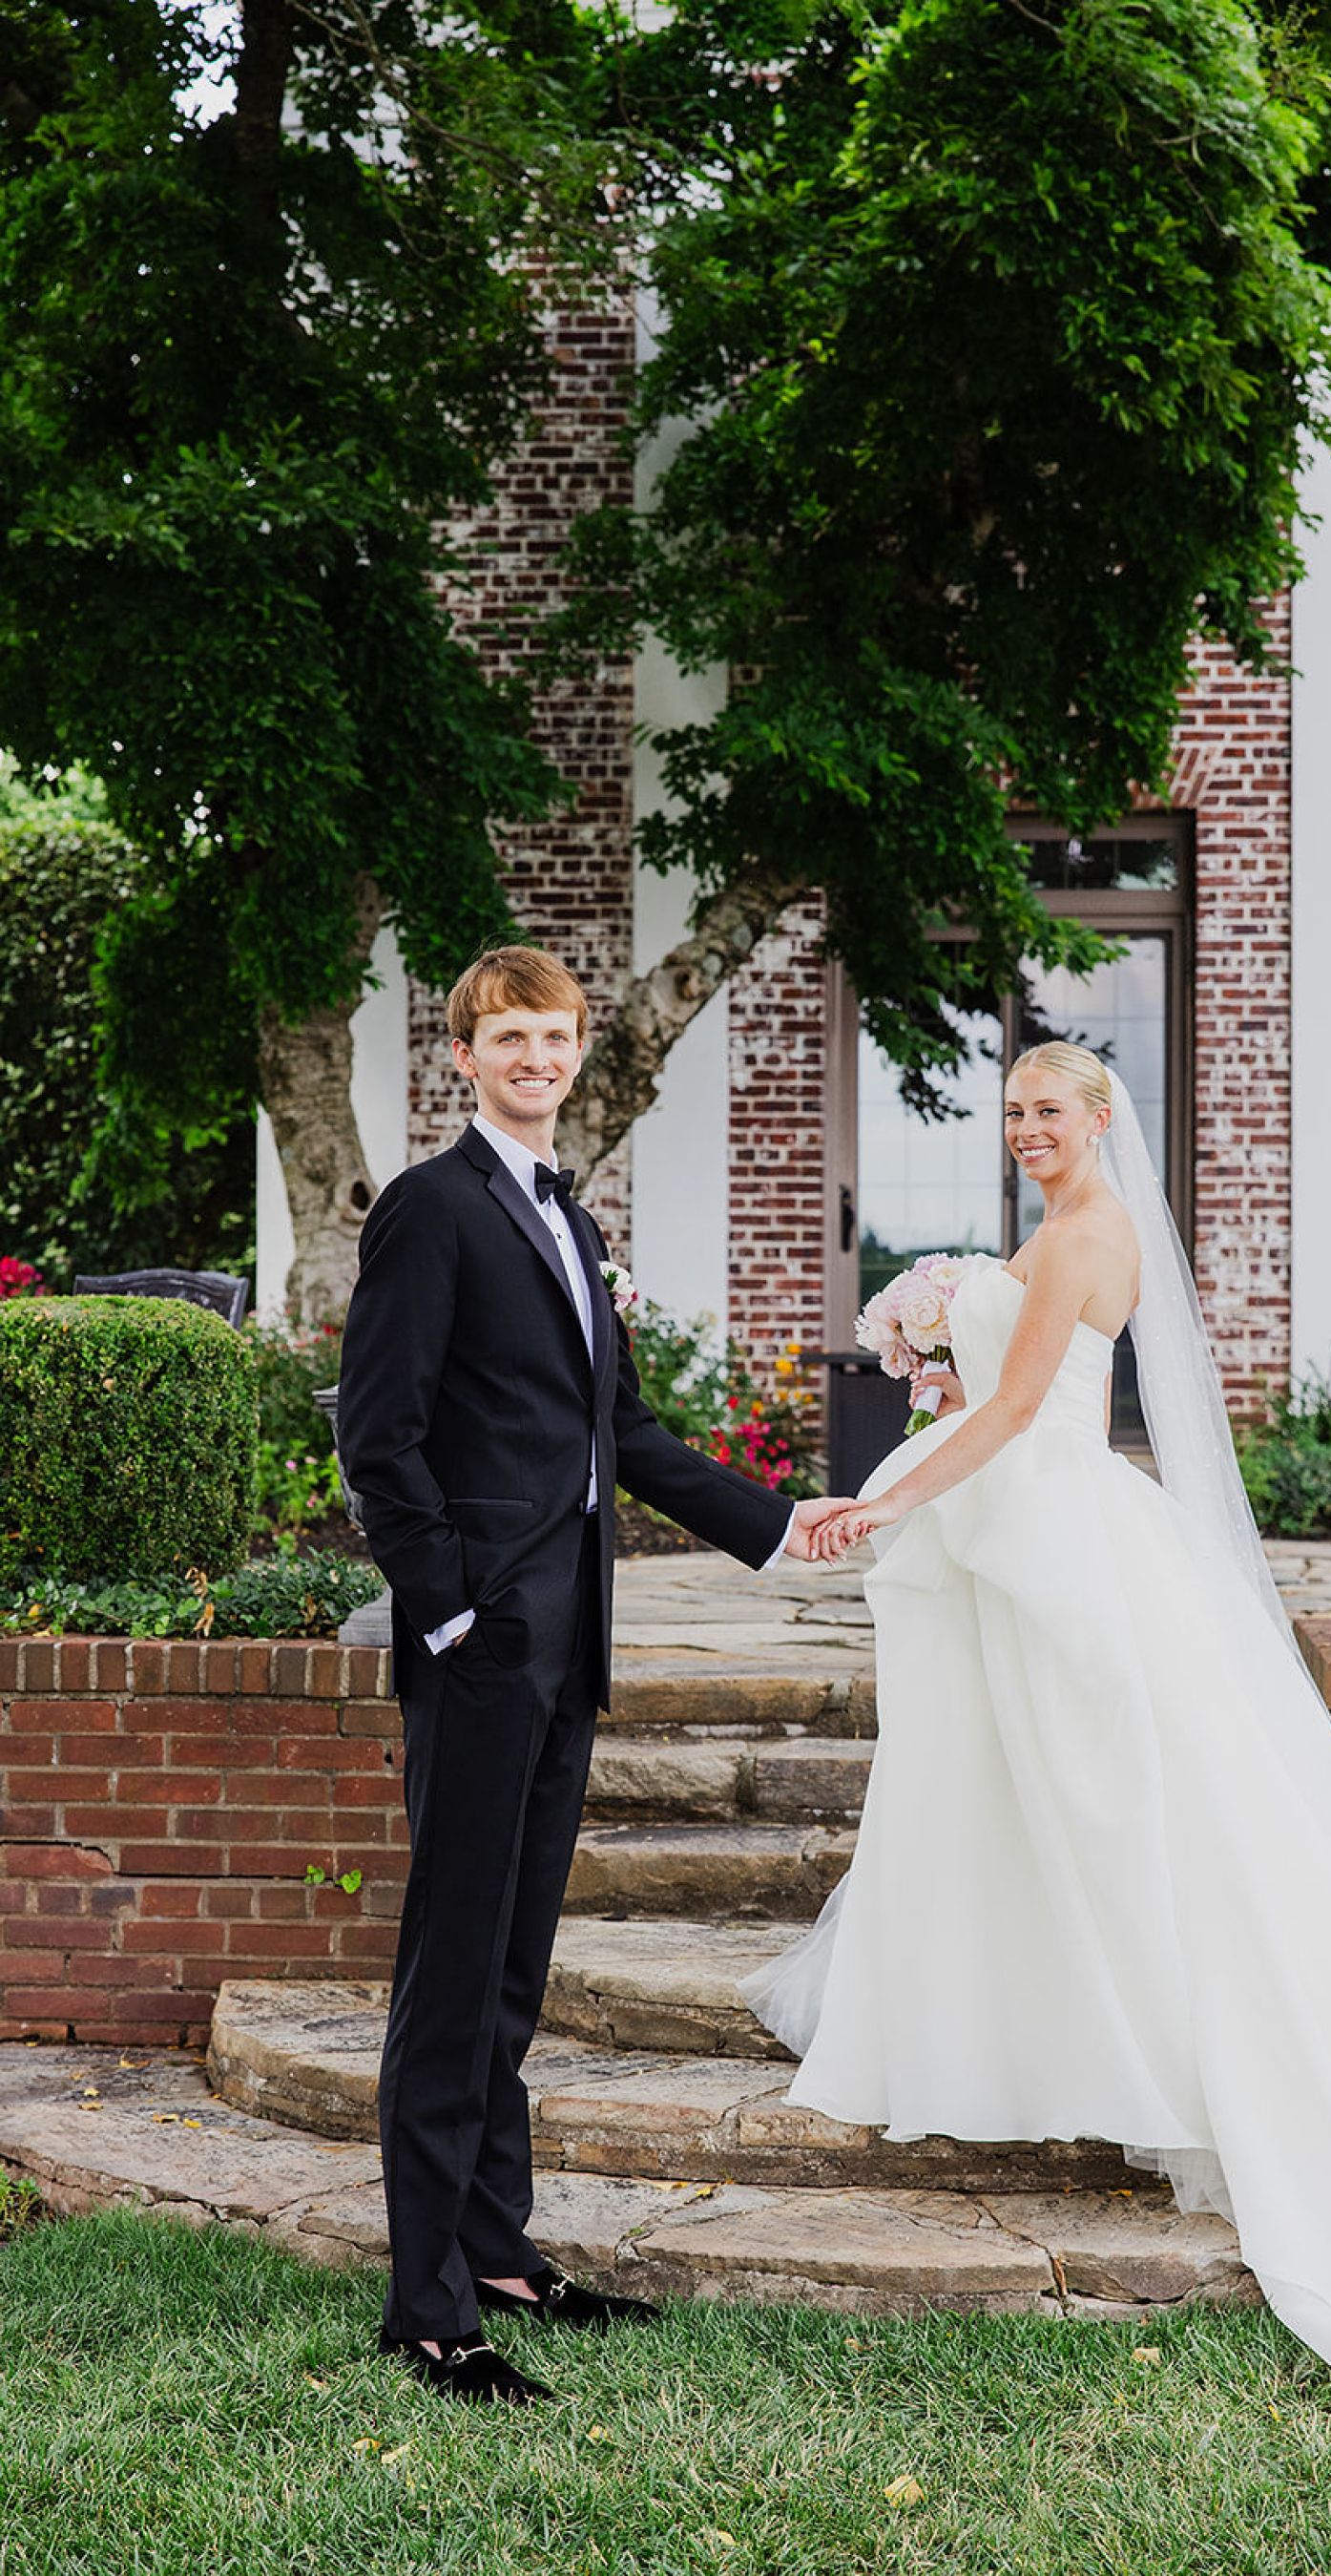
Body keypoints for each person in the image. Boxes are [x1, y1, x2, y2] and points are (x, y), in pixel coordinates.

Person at [743, 1040, 1331, 2439]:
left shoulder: (1094, 1235)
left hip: (1062, 1536)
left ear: (1099, 1119)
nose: (1027, 1130)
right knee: (1010, 1794)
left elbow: (1021, 1411)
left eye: (1049, 1112)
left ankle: (1173, 2045)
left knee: (1120, 1808)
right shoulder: (1052, 1229)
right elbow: (995, 1398)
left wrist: (879, 1504)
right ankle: (1032, 2026)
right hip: (1032, 1528)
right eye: (1011, 1112)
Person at [338, 945, 843, 2405]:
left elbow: (622, 1433)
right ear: (466, 1055)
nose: (537, 1060)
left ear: (578, 1053)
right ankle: (431, 2308)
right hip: (486, 1649)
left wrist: (782, 1521)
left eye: (556, 1038)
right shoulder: (430, 1211)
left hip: (571, 1654)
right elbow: (381, 1442)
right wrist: (445, 1618)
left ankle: (498, 2252)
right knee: (450, 1973)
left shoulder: (569, 1212)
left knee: (513, 1964)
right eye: (511, 1038)